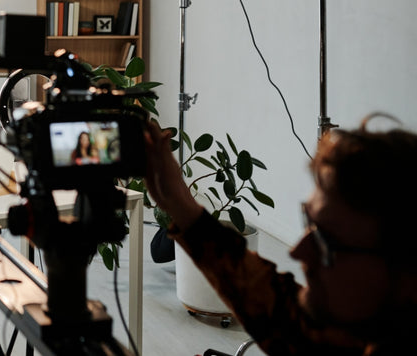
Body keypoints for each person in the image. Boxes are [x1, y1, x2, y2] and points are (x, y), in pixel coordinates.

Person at [143, 117, 417, 355]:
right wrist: (180, 204)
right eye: (309, 224)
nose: (298, 252)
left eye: (327, 241)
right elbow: (278, 311)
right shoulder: (350, 336)